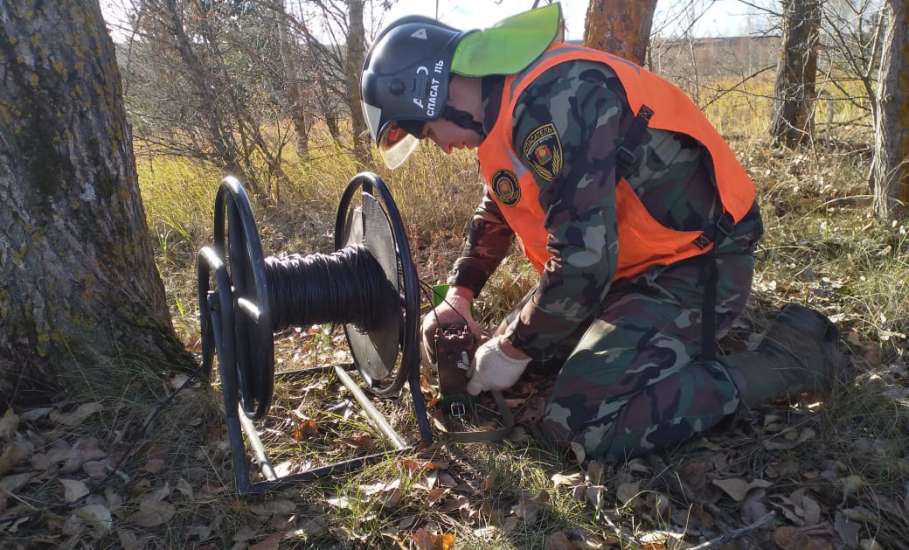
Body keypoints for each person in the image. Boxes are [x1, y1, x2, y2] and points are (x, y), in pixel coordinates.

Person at [360, 4, 842, 460]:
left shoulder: (558, 97)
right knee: (535, 360)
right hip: (627, 268)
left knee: (580, 423)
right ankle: (623, 339)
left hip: (699, 263)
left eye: (426, 133)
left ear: (439, 93)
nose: (441, 148)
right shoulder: (501, 113)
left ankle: (787, 362)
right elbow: (500, 206)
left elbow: (583, 262)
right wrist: (459, 296)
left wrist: (513, 345)